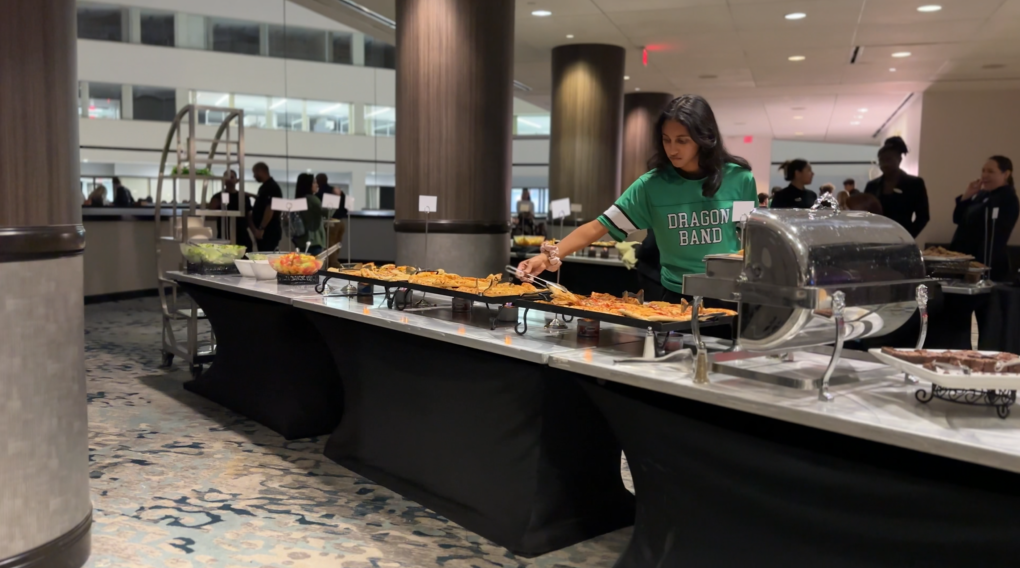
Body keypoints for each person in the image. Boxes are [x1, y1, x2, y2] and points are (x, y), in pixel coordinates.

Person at [517, 94, 756, 306]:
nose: (672, 149)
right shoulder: (651, 186)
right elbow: (598, 226)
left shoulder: (740, 179)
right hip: (677, 299)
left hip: (731, 296)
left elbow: (750, 239)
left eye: (682, 140)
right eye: (666, 139)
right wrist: (546, 256)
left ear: (704, 138)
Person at [950, 156, 1019, 282]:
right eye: (983, 171)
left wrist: (978, 268)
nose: (984, 175)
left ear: (1006, 174)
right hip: (962, 262)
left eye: (991, 171)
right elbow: (958, 219)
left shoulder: (1007, 198)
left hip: (982, 266)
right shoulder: (982, 194)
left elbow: (995, 238)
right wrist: (967, 195)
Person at [864, 136, 929, 238]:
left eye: (888, 159)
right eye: (881, 160)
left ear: (899, 159)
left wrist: (907, 236)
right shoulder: (872, 185)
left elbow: (923, 216)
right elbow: (866, 215)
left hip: (902, 240)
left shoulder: (914, 183)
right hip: (875, 239)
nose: (884, 164)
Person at [208, 169, 254, 252]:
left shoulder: (243, 197)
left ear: (236, 180)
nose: (229, 179)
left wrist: (255, 231)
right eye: (227, 177)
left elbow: (249, 216)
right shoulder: (218, 197)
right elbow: (210, 215)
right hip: (224, 235)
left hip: (242, 236)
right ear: (223, 180)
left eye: (232, 177)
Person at [250, 162, 284, 252]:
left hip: (269, 232)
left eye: (255, 173)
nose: (254, 176)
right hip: (264, 232)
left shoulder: (271, 187)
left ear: (261, 171)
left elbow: (270, 208)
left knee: (267, 256)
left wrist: (261, 228)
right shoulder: (264, 187)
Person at [315, 173, 347, 268]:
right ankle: (333, 263)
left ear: (318, 181)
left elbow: (321, 211)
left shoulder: (320, 194)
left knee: (330, 245)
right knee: (337, 245)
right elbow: (345, 208)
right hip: (341, 222)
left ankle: (333, 265)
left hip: (330, 223)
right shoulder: (337, 191)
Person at [290, 173, 326, 255]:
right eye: (314, 182)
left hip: (300, 240)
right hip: (314, 240)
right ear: (308, 185)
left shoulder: (298, 199)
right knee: (314, 265)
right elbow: (327, 213)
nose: (317, 185)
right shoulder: (312, 199)